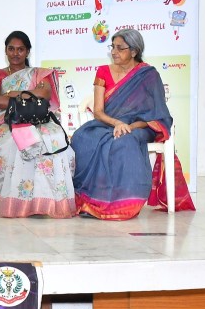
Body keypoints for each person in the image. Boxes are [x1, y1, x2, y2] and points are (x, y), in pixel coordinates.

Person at [71, 28, 193, 220]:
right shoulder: (103, 71)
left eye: (120, 48)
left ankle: (123, 203)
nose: (114, 52)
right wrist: (118, 123)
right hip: (108, 123)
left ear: (134, 51)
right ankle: (90, 200)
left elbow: (156, 114)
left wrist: (130, 127)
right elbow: (99, 112)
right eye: (112, 47)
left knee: (124, 142)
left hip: (140, 127)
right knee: (82, 138)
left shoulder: (148, 75)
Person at [0, 31, 76, 219]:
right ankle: (21, 203)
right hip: (7, 120)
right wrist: (29, 94)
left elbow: (45, 95)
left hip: (38, 118)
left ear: (27, 52)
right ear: (6, 51)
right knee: (21, 140)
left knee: (54, 138)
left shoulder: (39, 73)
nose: (15, 54)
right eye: (11, 49)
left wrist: (11, 94)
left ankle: (48, 201)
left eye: (20, 49)